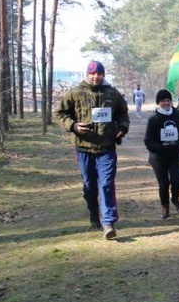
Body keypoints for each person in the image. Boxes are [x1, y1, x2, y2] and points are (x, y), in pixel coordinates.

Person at [55, 60, 129, 240]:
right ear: (87, 75)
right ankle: (94, 214)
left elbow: (122, 114)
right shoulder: (75, 93)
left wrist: (122, 128)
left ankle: (108, 222)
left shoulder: (112, 93)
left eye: (99, 74)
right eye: (92, 74)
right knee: (90, 186)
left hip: (106, 147)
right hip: (83, 148)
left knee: (106, 184)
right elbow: (60, 114)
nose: (96, 77)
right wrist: (73, 126)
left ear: (103, 75)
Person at [144, 89, 179, 219]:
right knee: (164, 184)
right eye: (163, 101)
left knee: (177, 181)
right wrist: (159, 148)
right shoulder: (153, 119)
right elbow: (148, 140)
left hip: (175, 154)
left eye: (168, 100)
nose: (166, 103)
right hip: (158, 157)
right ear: (158, 103)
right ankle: (165, 206)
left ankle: (175, 198)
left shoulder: (177, 115)